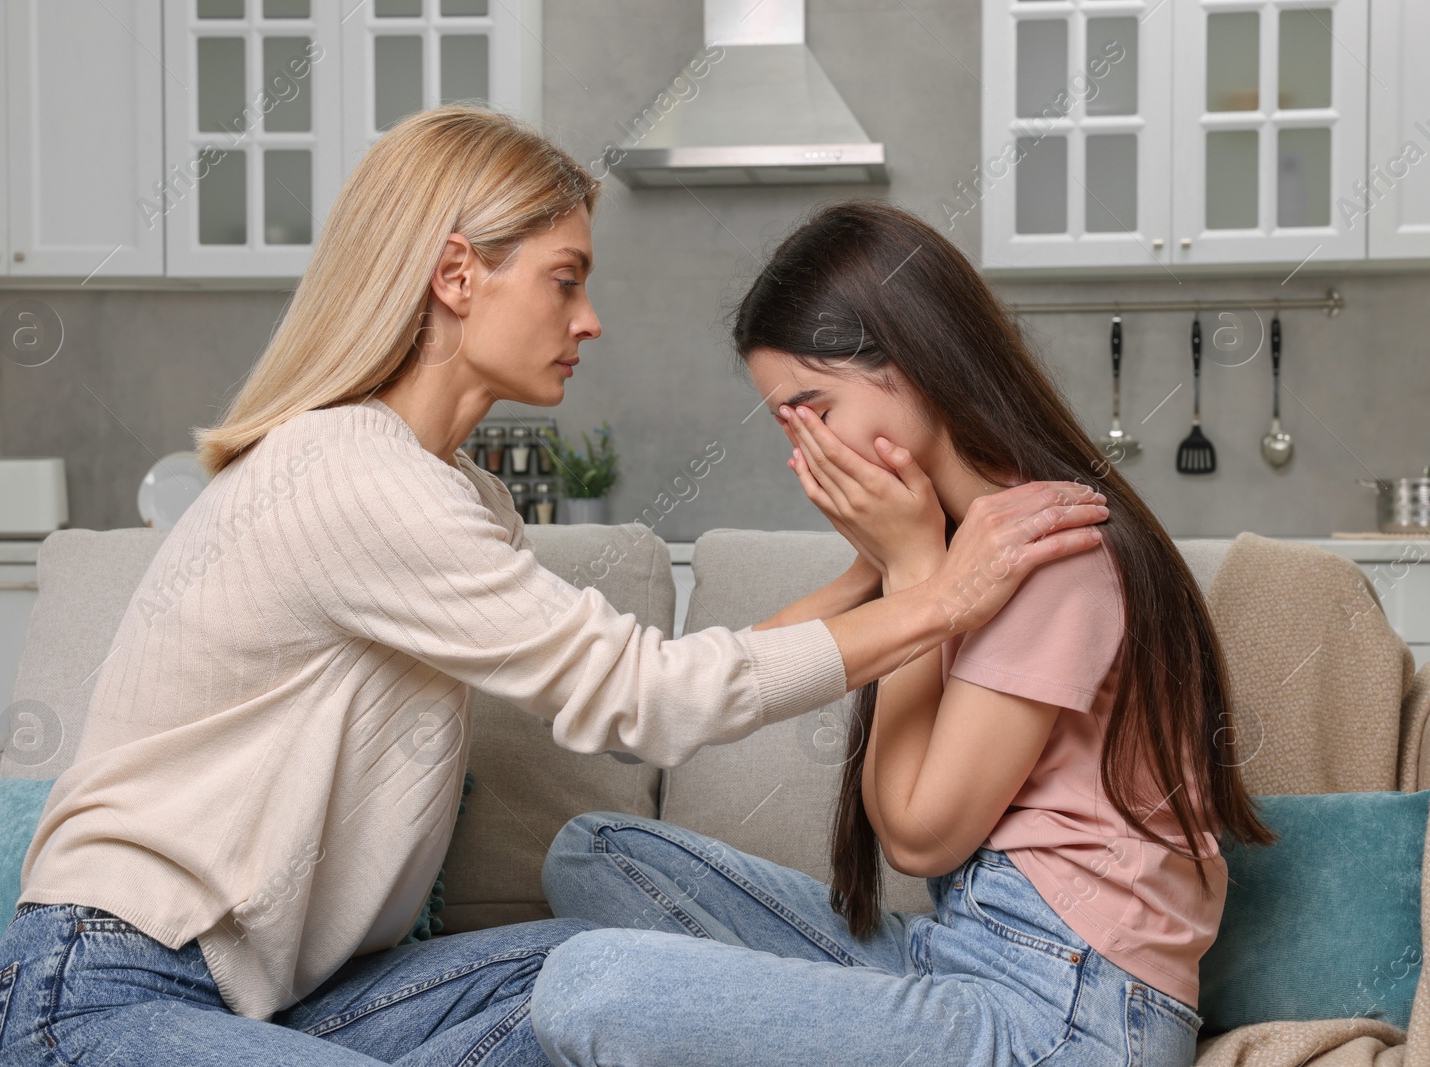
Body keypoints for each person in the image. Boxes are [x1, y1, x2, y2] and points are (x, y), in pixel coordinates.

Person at [0, 113, 1108, 1067]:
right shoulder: (351, 476)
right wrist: (935, 595)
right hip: (101, 999)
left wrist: (881, 565)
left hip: (284, 1003)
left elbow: (667, 683)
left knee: (594, 977)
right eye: (565, 279)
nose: (589, 319)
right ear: (457, 274)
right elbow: (647, 696)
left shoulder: (452, 495)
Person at [531, 199, 1279, 1067]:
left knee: (590, 985)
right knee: (593, 851)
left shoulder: (1052, 548)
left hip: (1067, 1012)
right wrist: (891, 566)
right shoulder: (965, 545)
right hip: (956, 959)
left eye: (812, 407)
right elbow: (719, 672)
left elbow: (920, 836)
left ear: (917, 365)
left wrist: (918, 574)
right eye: (783, 420)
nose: (801, 451)